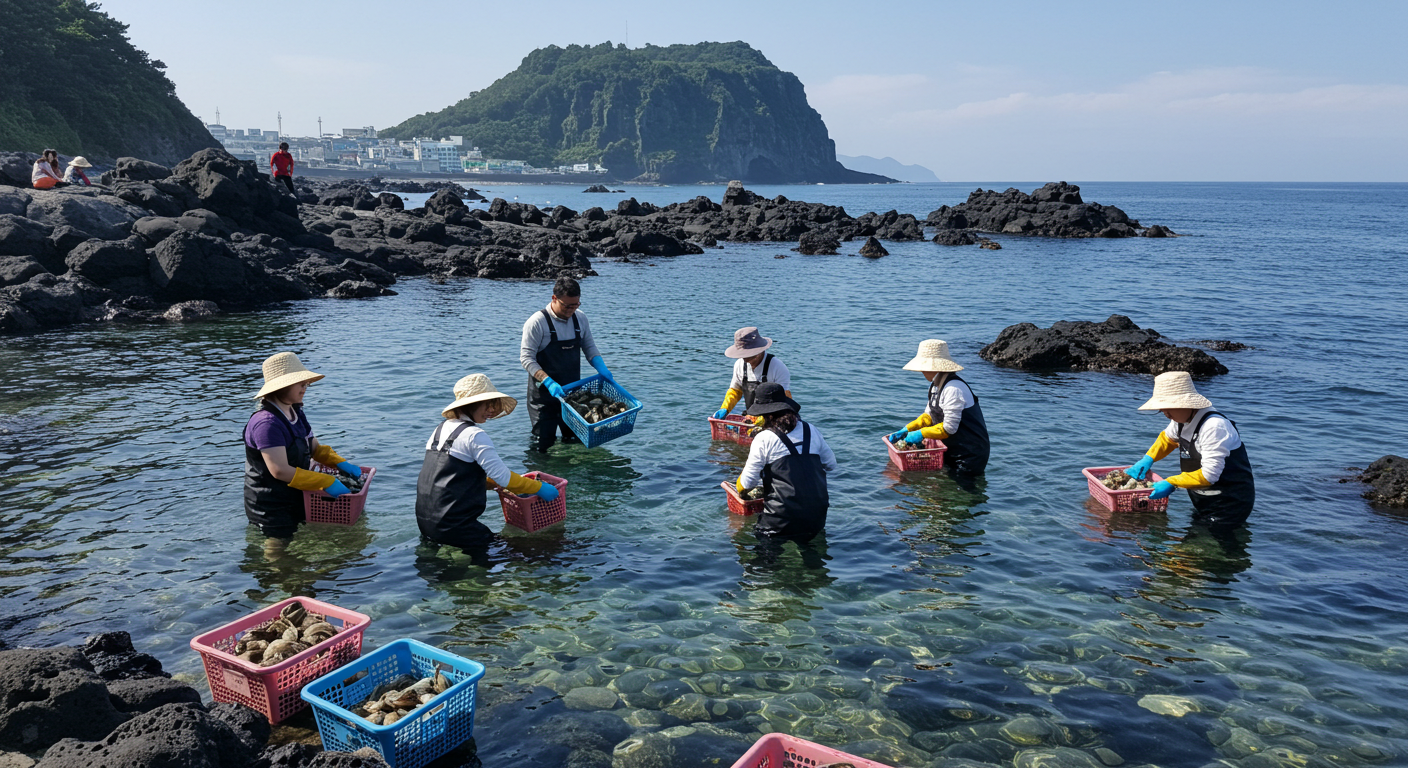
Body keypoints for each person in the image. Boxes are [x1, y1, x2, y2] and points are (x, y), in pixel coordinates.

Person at [416, 374, 559, 549]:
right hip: (456, 528)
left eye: (493, 404)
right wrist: (540, 488)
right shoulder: (474, 435)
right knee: (533, 550)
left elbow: (451, 478)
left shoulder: (440, 429)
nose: (492, 409)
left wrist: (492, 484)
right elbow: (504, 478)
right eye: (487, 404)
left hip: (426, 524)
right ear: (471, 404)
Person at [242, 352, 361, 544]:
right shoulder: (266, 423)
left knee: (300, 544)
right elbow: (279, 470)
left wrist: (340, 463)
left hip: (296, 494)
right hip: (270, 504)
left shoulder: (295, 410)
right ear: (282, 386)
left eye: (306, 383)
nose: (306, 387)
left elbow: (314, 448)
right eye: (301, 383)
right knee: (277, 547)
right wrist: (326, 481)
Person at [1126, 371, 1255, 526]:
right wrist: (1148, 458)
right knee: (1197, 542)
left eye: (1168, 408)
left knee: (1212, 545)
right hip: (1204, 498)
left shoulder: (1214, 427)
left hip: (1230, 503)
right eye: (1161, 409)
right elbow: (1167, 439)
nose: (1165, 413)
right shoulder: (1181, 419)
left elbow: (1209, 476)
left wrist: (1171, 482)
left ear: (1186, 403)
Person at [520, 276, 614, 452]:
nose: (572, 310)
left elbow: (589, 347)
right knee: (543, 443)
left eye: (576, 305)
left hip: (572, 394)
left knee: (574, 441)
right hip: (543, 396)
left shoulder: (580, 319)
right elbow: (526, 358)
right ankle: (540, 475)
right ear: (554, 298)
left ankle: (571, 477)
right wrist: (548, 382)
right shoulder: (537, 322)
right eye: (567, 306)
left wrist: (602, 369)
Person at [737, 383, 837, 541]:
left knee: (763, 556)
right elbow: (831, 465)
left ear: (767, 415)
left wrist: (739, 487)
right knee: (811, 553)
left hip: (780, 520)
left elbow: (748, 482)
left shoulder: (763, 438)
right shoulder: (811, 429)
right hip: (816, 517)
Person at [890, 339, 990, 475]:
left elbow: (949, 428)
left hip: (970, 454)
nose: (921, 371)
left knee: (962, 492)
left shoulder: (954, 389)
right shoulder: (936, 385)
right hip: (950, 449)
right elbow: (929, 416)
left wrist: (920, 434)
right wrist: (908, 428)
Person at [713, 326, 792, 421]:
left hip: (774, 418)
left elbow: (785, 401)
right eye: (742, 355)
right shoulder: (740, 364)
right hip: (750, 416)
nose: (744, 359)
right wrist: (725, 408)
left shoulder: (778, 367)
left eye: (747, 355)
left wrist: (765, 418)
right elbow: (736, 390)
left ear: (759, 351)